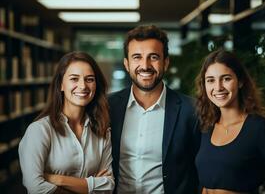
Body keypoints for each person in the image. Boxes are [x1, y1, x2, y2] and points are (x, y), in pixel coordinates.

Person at [108, 25, 200, 194]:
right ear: (126, 64)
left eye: (154, 57)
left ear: (166, 62)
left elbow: (202, 170)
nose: (145, 65)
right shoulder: (107, 107)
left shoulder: (191, 110)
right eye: (137, 57)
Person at [195, 49, 265, 194]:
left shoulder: (259, 128)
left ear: (240, 81)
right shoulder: (205, 127)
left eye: (226, 78)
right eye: (210, 80)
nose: (218, 87)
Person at [19, 51, 114, 194]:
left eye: (89, 79)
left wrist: (58, 180)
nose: (83, 86)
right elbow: (36, 188)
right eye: (74, 79)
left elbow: (108, 185)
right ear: (61, 85)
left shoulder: (102, 130)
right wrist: (90, 186)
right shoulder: (39, 130)